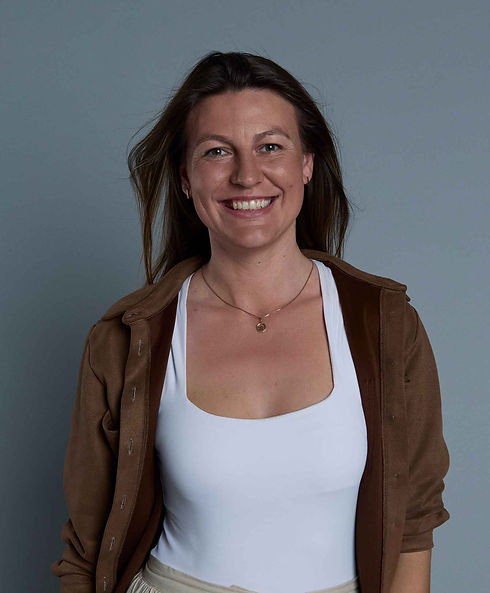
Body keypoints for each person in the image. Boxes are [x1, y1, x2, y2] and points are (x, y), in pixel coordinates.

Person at [51, 51, 450, 593]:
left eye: (270, 147)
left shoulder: (386, 325)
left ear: (306, 163)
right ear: (186, 178)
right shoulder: (126, 339)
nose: (246, 175)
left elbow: (414, 524)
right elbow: (86, 550)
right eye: (217, 151)